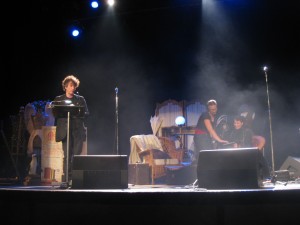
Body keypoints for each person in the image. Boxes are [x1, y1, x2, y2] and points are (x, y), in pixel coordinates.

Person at [52, 75, 89, 186]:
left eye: (74, 86)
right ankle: (67, 178)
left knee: (76, 154)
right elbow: (55, 113)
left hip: (77, 131)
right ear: (66, 87)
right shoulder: (59, 99)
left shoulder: (80, 99)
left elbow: (87, 113)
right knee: (67, 155)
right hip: (65, 131)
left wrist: (78, 114)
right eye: (71, 86)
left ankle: (75, 178)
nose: (73, 88)